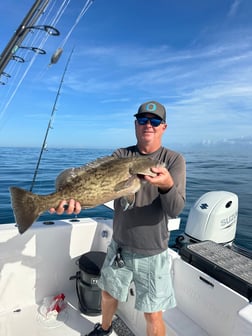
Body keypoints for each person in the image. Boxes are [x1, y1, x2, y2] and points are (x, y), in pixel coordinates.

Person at [50, 101, 186, 336]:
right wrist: (74, 201)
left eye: (154, 121)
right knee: (107, 293)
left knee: (153, 313)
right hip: (119, 246)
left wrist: (167, 184)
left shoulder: (173, 161)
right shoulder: (121, 155)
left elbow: (175, 210)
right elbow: (98, 188)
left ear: (164, 127)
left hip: (153, 251)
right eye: (143, 120)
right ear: (136, 125)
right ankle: (104, 329)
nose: (148, 125)